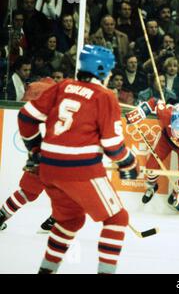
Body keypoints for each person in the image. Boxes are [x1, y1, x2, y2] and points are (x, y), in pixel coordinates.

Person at [17, 45, 138, 274]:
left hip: (49, 169)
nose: (111, 74)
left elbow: (26, 116)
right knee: (117, 218)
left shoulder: (63, 86)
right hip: (81, 169)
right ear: (102, 70)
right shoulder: (104, 96)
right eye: (109, 70)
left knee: (70, 221)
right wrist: (129, 162)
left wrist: (35, 149)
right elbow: (113, 145)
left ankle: (46, 271)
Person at [0, 76, 58, 232]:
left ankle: (2, 215)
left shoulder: (33, 105)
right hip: (64, 157)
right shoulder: (63, 103)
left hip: (41, 155)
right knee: (72, 192)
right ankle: (55, 221)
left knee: (27, 192)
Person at [125, 98, 179, 212]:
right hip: (165, 140)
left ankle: (177, 194)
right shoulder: (167, 114)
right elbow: (155, 101)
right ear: (171, 124)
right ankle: (152, 186)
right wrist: (140, 112)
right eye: (176, 130)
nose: (178, 134)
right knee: (151, 167)